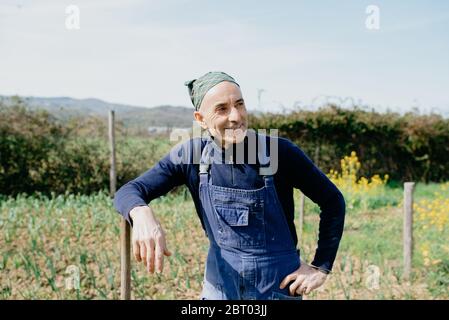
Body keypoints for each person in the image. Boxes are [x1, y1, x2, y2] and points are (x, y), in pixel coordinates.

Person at [113, 71, 346, 300]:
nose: (236, 116)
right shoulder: (192, 156)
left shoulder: (280, 153)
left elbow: (333, 201)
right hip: (220, 288)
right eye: (222, 109)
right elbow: (129, 191)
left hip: (276, 289)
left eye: (240, 104)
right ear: (200, 119)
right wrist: (141, 212)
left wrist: (320, 267)